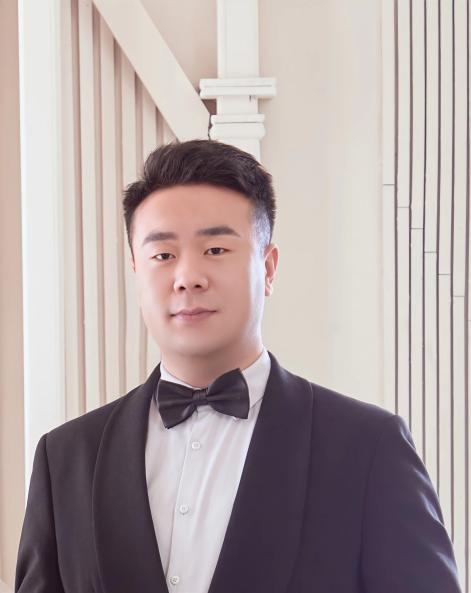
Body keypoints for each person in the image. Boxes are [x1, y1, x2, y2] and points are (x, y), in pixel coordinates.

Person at [15, 139, 462, 593]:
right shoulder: (64, 459)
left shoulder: (368, 448)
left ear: (268, 268)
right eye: (163, 255)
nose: (188, 277)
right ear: (136, 269)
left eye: (215, 250)